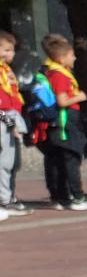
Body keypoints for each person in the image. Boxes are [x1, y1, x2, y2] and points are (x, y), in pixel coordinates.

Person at [32, 34, 87, 210]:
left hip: (59, 123)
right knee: (70, 159)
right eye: (71, 55)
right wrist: (80, 96)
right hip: (64, 122)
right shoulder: (59, 75)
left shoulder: (50, 71)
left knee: (58, 161)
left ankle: (61, 196)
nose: (74, 58)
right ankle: (78, 197)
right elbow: (62, 100)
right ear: (61, 58)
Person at [0, 31, 24, 219]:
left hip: (10, 116)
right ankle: (4, 199)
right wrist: (10, 123)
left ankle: (8, 196)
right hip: (4, 118)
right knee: (4, 162)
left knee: (11, 162)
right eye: (7, 50)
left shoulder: (6, 70)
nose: (11, 54)